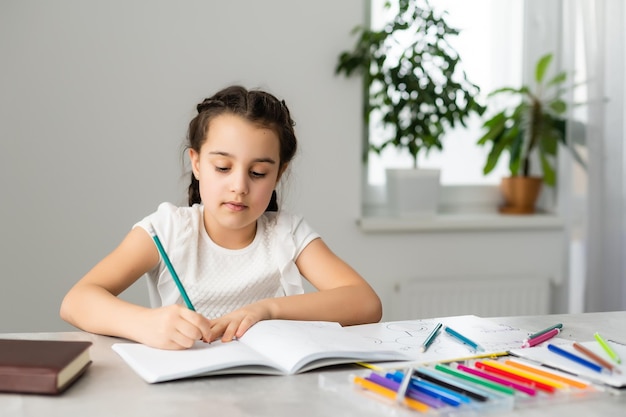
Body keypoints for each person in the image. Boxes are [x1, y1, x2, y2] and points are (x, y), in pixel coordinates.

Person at [60, 85, 382, 350]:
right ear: (197, 163)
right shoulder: (168, 230)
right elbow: (76, 301)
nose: (239, 186)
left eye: (258, 172)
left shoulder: (288, 234)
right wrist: (145, 324)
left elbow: (366, 302)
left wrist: (267, 310)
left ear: (279, 173)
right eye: (223, 168)